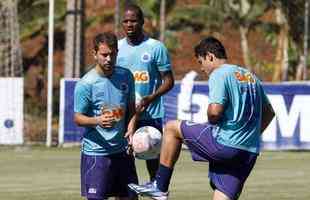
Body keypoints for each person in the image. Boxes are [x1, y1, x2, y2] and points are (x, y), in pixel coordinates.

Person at [128, 36, 275, 200]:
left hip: (226, 144)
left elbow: (214, 113)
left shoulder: (219, 74)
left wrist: (212, 119)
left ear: (210, 56)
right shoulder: (250, 76)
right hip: (248, 152)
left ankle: (160, 186)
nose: (202, 69)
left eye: (201, 62)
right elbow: (269, 113)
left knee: (171, 128)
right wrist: (248, 136)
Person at [74, 32, 138, 200]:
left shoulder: (126, 75)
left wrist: (131, 128)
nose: (109, 59)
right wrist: (97, 120)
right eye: (104, 55)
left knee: (130, 198)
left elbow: (131, 108)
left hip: (122, 152)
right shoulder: (86, 84)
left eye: (112, 54)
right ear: (94, 54)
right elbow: (78, 118)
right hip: (97, 154)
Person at [116, 4, 174, 181]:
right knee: (124, 161)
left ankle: (158, 192)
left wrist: (150, 98)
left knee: (154, 164)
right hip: (124, 115)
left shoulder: (155, 47)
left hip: (150, 115)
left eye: (133, 20)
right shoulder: (116, 49)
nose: (129, 24)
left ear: (142, 22)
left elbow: (169, 81)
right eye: (125, 21)